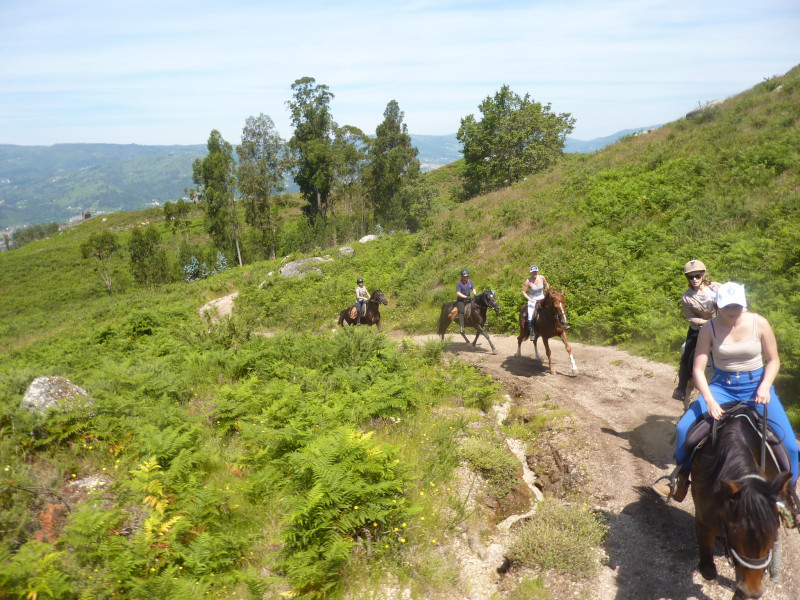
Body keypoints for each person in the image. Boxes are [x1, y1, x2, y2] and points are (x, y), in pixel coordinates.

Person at [653, 281, 799, 501]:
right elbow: (699, 369)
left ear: (744, 303)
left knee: (791, 446)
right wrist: (710, 400)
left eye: (737, 306)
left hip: (756, 387)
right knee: (684, 428)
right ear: (718, 305)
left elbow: (773, 360)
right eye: (727, 306)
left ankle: (789, 495)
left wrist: (765, 386)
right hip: (722, 387)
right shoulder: (708, 328)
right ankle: (681, 479)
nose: (732, 311)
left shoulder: (759, 323)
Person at [672, 260, 721, 401]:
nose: (694, 279)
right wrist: (707, 322)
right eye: (690, 277)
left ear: (703, 274)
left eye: (697, 275)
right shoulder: (686, 297)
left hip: (721, 326)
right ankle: (681, 387)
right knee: (687, 353)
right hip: (699, 329)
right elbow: (690, 318)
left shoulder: (717, 288)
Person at [522, 265, 549, 341]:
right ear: (531, 272)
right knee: (530, 316)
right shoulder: (528, 281)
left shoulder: (541, 277)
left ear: (537, 271)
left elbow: (546, 284)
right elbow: (523, 292)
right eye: (533, 272)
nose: (534, 273)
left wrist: (547, 287)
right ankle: (532, 332)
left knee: (551, 307)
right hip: (532, 299)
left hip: (541, 297)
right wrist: (530, 299)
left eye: (536, 271)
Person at [456, 269, 475, 334]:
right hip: (461, 300)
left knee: (475, 306)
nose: (466, 278)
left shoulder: (470, 281)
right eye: (464, 277)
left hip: (468, 299)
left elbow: (473, 288)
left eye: (467, 276)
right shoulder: (459, 283)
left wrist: (475, 294)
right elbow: (458, 293)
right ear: (462, 277)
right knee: (461, 311)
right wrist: (466, 297)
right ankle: (462, 326)